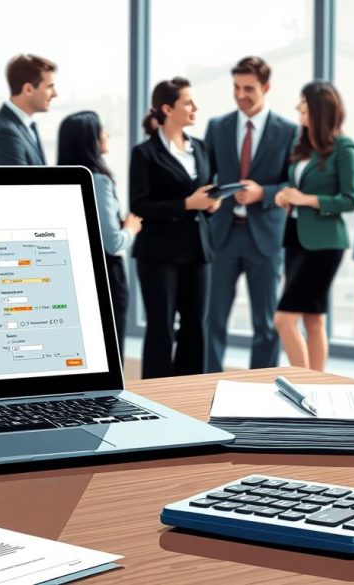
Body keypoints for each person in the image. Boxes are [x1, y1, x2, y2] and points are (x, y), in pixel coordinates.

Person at [203, 57, 298, 373]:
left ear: (266, 87)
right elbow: (206, 176)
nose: (240, 94)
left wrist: (263, 193)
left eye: (248, 88)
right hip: (223, 235)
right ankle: (207, 387)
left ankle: (261, 391)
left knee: (266, 325)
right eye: (236, 87)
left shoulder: (288, 131)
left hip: (266, 237)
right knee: (212, 320)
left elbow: (294, 182)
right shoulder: (218, 127)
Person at [130, 77, 220, 379]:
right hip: (159, 254)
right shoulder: (144, 153)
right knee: (161, 328)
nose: (195, 107)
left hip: (198, 248)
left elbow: (203, 190)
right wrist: (186, 204)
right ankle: (157, 396)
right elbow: (140, 205)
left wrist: (210, 202)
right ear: (167, 109)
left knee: (195, 326)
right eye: (188, 103)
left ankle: (190, 393)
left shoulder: (202, 147)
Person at [273, 81, 354, 372]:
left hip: (324, 244)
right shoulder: (303, 145)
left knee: (284, 319)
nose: (299, 109)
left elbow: (350, 199)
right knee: (313, 318)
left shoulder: (344, 148)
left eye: (304, 104)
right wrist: (286, 194)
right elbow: (296, 183)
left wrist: (306, 199)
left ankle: (304, 384)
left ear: (319, 109)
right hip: (296, 239)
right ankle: (318, 386)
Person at [57, 111, 142, 361]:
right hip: (108, 275)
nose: (107, 134)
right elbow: (112, 242)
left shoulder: (63, 179)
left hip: (76, 274)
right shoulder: (100, 181)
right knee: (112, 355)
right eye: (102, 129)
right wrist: (131, 228)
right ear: (90, 140)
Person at [0, 54, 57, 166]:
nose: (55, 94)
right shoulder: (6, 134)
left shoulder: (22, 126)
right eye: (49, 87)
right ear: (28, 89)